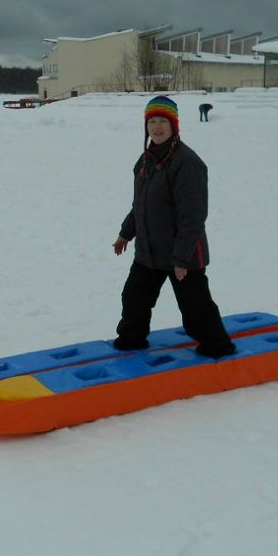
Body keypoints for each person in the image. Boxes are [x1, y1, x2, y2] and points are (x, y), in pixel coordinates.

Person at [111, 96, 237, 359]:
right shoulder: (145, 161)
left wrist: (182, 257)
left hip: (183, 254)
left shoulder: (187, 162)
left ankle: (218, 346)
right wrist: (126, 233)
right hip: (149, 251)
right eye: (152, 122)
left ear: (174, 125)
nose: (157, 127)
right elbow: (141, 205)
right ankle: (131, 341)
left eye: (163, 121)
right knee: (135, 299)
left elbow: (192, 216)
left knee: (195, 309)